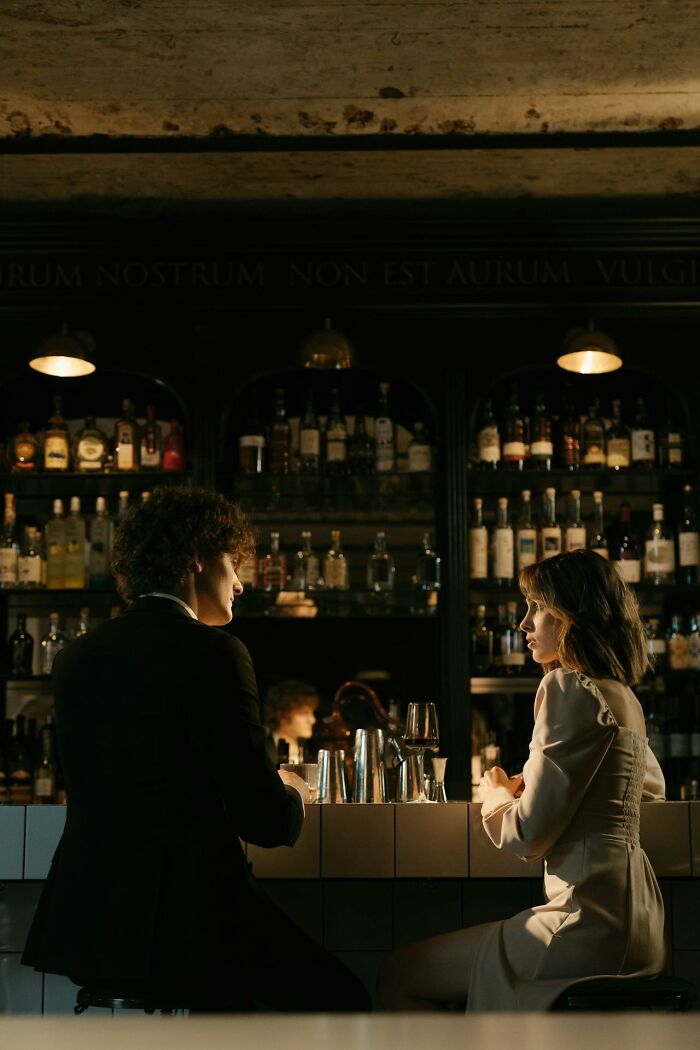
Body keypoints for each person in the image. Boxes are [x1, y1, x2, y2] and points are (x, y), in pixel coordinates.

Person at [22, 486, 370, 1013]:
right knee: (345, 1001)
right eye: (233, 564)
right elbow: (265, 822)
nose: (240, 583)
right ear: (197, 560)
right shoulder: (214, 652)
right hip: (190, 925)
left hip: (90, 921)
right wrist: (294, 791)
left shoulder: (76, 657)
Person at [379, 549, 666, 1012]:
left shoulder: (567, 687)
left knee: (400, 972)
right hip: (641, 925)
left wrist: (493, 792)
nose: (523, 623)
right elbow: (650, 789)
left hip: (582, 924)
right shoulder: (624, 697)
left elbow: (527, 835)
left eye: (536, 607)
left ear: (571, 616)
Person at [263, 678, 318, 765]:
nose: (312, 720)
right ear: (282, 715)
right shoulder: (262, 751)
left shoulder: (313, 752)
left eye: (311, 712)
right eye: (304, 713)